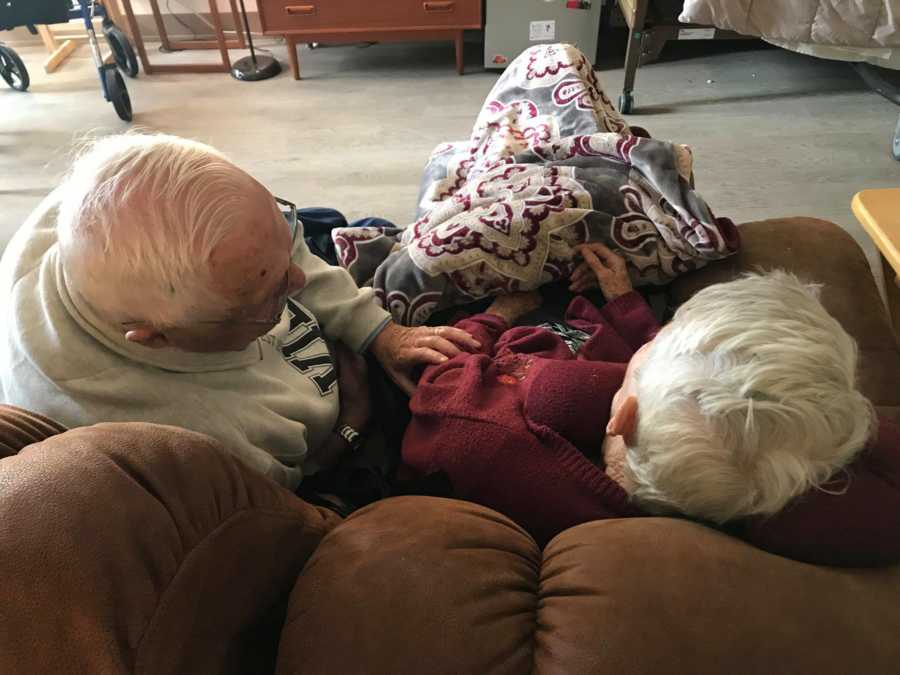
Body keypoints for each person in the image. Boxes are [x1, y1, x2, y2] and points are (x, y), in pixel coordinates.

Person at [0, 133, 478, 490]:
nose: (297, 282)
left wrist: (376, 330)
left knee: (353, 230)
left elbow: (285, 253)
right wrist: (351, 424)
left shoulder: (100, 196)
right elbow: (289, 502)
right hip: (334, 439)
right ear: (155, 336)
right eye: (267, 295)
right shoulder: (192, 444)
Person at [402, 244, 875, 545]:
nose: (657, 333)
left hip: (485, 356)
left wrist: (496, 315)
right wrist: (625, 301)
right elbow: (692, 391)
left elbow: (437, 381)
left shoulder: (483, 436)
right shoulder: (732, 487)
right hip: (575, 334)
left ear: (622, 416)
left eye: (660, 337)